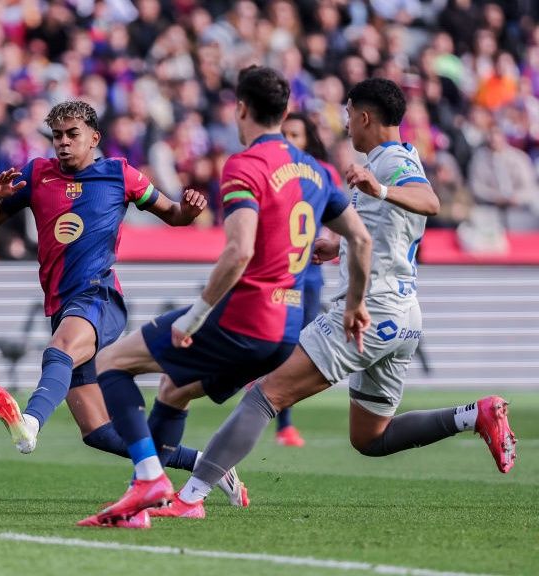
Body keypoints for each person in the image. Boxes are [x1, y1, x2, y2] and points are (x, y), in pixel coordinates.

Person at [172, 78, 517, 522]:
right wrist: (341, 247)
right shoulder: (396, 158)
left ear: (365, 117)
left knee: (264, 394)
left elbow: (430, 202)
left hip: (368, 314)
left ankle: (189, 497)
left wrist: (381, 190)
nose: (346, 124)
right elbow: (390, 230)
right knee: (370, 438)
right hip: (403, 317)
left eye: (349, 114)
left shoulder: (390, 163)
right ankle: (474, 415)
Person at [79, 66, 373, 526]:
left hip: (244, 316)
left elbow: (239, 251)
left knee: (110, 364)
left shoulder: (245, 165)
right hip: (284, 333)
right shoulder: (315, 171)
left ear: (240, 108)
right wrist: (355, 304)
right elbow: (362, 239)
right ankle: (149, 500)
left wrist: (194, 317)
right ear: (285, 112)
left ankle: (150, 480)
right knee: (173, 390)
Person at [0, 101, 247, 525]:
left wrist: (190, 210)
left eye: (72, 134)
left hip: (99, 297)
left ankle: (30, 421)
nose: (63, 143)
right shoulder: (35, 174)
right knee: (99, 433)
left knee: (60, 348)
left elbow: (174, 215)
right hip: (61, 303)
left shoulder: (120, 174)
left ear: (93, 138)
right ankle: (205, 463)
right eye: (57, 136)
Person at [273, 111, 345, 448]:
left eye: (296, 135)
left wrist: (334, 245)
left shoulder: (323, 173)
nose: (288, 141)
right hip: (274, 270)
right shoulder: (273, 170)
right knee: (277, 343)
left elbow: (344, 218)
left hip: (308, 272)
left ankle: (283, 422)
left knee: (296, 344)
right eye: (284, 134)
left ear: (308, 140)